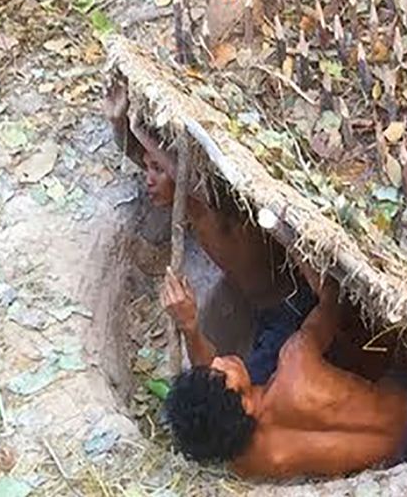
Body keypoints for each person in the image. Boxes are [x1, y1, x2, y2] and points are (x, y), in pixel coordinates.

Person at [104, 78, 316, 384]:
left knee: (245, 392)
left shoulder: (216, 209)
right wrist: (117, 122)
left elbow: (180, 171)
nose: (148, 178)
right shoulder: (188, 205)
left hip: (290, 311)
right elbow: (147, 159)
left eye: (157, 170)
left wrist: (136, 127)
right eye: (148, 169)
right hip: (260, 308)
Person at [163, 263, 407, 479]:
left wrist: (190, 326)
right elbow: (333, 301)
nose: (218, 361)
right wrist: (306, 262)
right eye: (221, 373)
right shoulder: (296, 362)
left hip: (391, 464)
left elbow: (212, 403)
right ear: (245, 405)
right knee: (354, 331)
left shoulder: (248, 464)